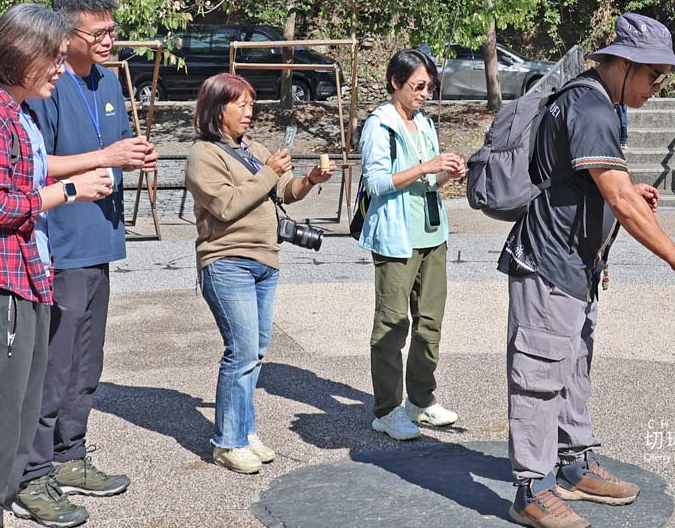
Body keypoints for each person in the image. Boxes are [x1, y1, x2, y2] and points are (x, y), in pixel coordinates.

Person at [503, 13, 675, 528]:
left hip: (578, 266)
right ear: (623, 64)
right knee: (538, 376)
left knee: (574, 366)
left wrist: (623, 194)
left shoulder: (604, 105)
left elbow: (602, 185)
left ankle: (574, 464)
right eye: (654, 74)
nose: (658, 85)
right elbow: (617, 196)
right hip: (548, 263)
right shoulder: (591, 105)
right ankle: (531, 490)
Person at [0, 3, 114, 528]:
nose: (62, 70)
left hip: (23, 279)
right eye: (54, 59)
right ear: (23, 56)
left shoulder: (15, 114)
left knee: (15, 414)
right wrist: (70, 190)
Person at [16, 0, 158, 528]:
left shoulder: (108, 80)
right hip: (60, 242)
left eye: (112, 31)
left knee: (85, 363)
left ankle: (71, 456)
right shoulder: (46, 84)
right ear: (65, 33)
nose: (107, 41)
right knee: (52, 365)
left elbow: (115, 144)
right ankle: (34, 472)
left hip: (99, 238)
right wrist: (105, 154)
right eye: (97, 33)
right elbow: (39, 161)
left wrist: (132, 155)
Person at [184, 73, 335, 474]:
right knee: (242, 351)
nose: (250, 112)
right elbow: (227, 205)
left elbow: (283, 190)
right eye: (242, 105)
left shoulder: (252, 149)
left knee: (256, 352)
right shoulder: (204, 154)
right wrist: (268, 172)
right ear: (218, 109)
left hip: (265, 261)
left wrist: (309, 180)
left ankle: (244, 429)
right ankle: (227, 441)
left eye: (252, 105)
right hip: (227, 260)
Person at [357, 49, 467, 441]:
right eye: (418, 86)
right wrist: (427, 167)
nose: (424, 94)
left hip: (432, 235)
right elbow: (376, 183)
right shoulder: (379, 126)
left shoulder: (424, 122)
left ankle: (421, 399)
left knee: (430, 323)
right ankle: (387, 409)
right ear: (395, 83)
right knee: (391, 325)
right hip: (395, 239)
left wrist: (449, 174)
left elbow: (429, 184)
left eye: (429, 87)